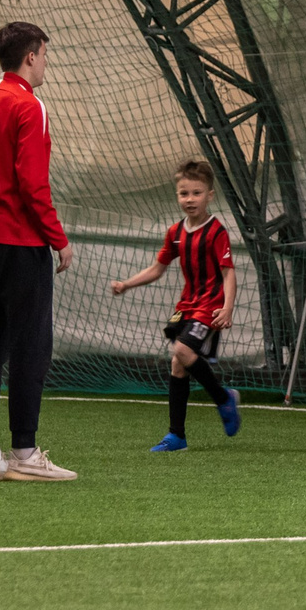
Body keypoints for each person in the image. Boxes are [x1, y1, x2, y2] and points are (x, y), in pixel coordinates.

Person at [0, 21, 76, 482]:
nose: (45, 63)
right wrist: (58, 239)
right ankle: (26, 455)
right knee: (31, 347)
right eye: (44, 54)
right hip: (21, 242)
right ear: (31, 56)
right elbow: (32, 183)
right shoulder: (30, 106)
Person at [109, 158, 243, 452]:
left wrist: (228, 307)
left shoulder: (217, 232)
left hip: (210, 307)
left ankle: (223, 399)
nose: (190, 199)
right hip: (187, 305)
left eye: (196, 193)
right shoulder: (175, 232)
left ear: (209, 195)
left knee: (181, 350)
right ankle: (177, 436)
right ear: (177, 195)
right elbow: (157, 269)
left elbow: (228, 272)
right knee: (178, 364)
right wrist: (127, 284)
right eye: (184, 193)